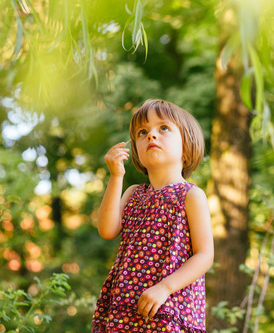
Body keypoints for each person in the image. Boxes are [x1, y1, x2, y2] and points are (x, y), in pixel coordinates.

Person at [91, 99, 214, 333]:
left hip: (170, 305)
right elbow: (107, 230)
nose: (151, 136)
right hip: (126, 305)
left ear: (186, 147)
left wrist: (165, 288)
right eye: (142, 132)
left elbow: (205, 256)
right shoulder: (133, 193)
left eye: (163, 128)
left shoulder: (191, 196)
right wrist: (115, 176)